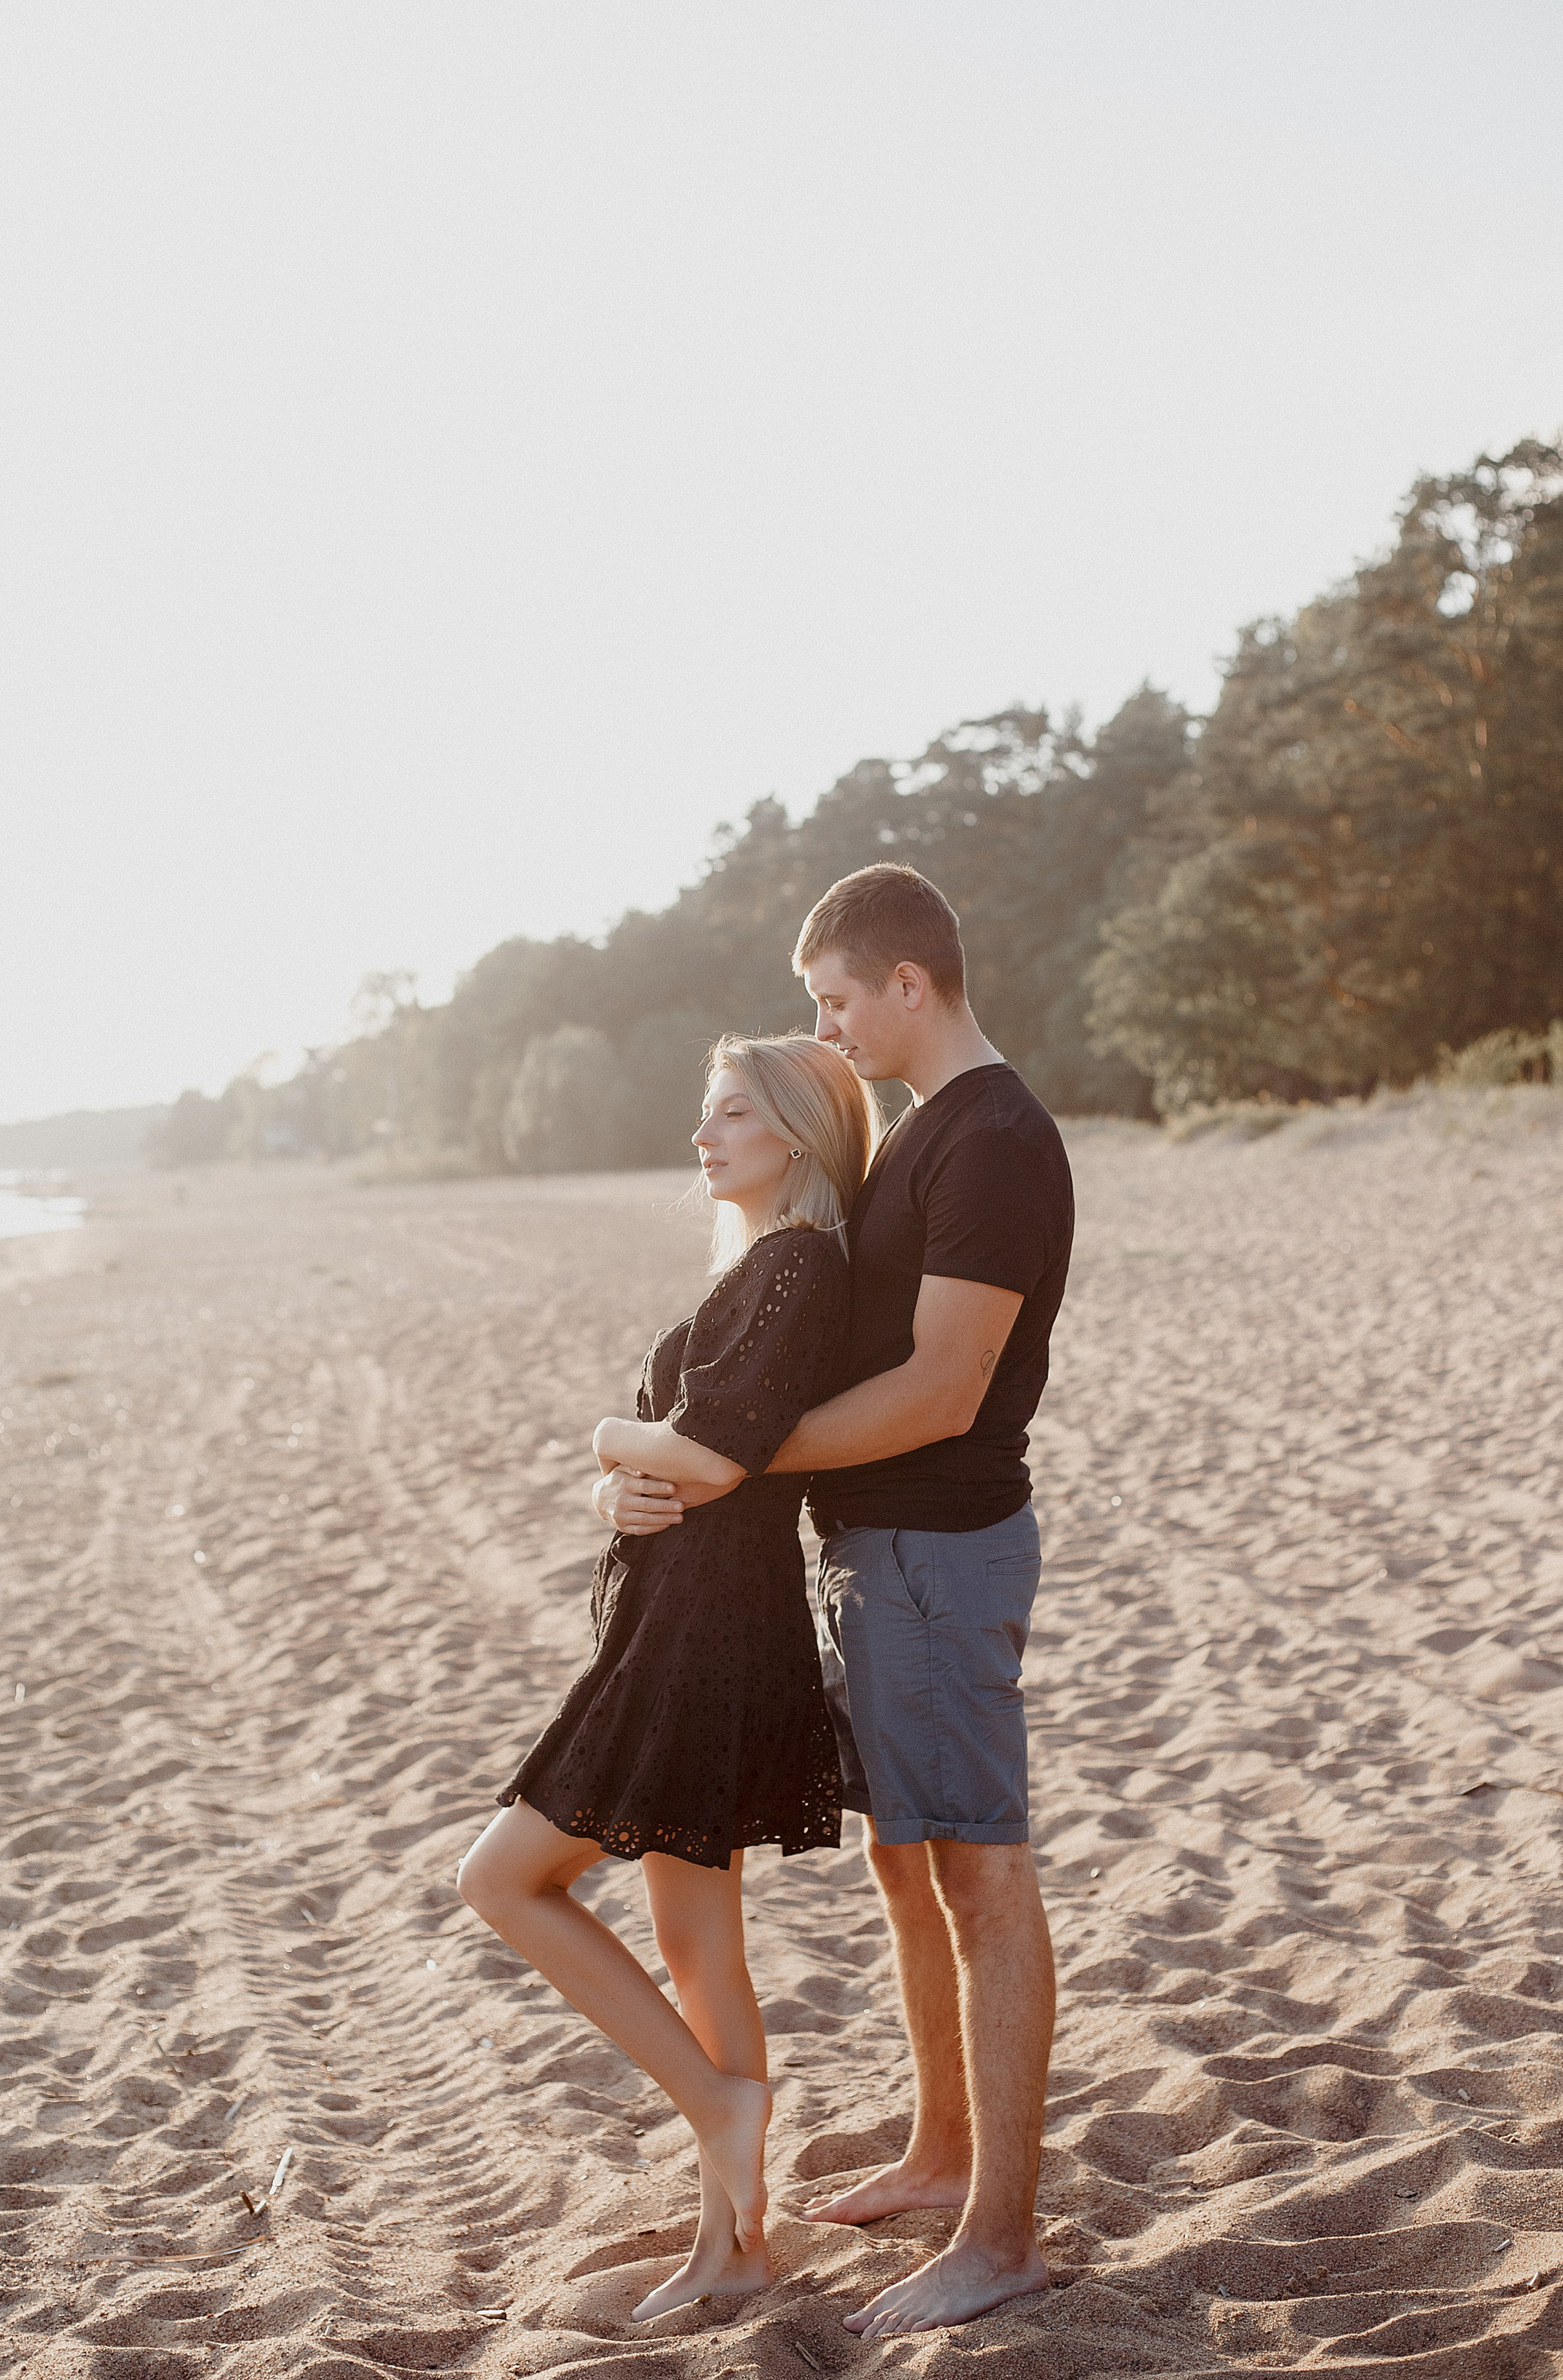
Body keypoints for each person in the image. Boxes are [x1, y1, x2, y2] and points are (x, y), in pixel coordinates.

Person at [603, 864, 1074, 2339]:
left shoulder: (993, 1141)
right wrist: (710, 1461)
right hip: (880, 1555)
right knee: (906, 1862)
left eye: (834, 1003)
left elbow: (942, 1392)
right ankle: (942, 2157)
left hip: (940, 1554)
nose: (827, 1032)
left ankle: (1000, 2238)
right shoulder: (928, 1132)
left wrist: (724, 1462)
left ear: (907, 984)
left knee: (981, 1878)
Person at [459, 1033, 880, 2323]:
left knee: (501, 1879)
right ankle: (733, 2243)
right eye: (707, 1113)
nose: (703, 1135)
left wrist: (608, 1440)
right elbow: (688, 1460)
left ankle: (715, 2104)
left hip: (705, 1634)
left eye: (733, 1114)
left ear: (797, 1135)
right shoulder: (759, 1265)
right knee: (699, 1947)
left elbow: (721, 1454)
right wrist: (613, 1489)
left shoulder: (801, 1264)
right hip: (690, 1615)